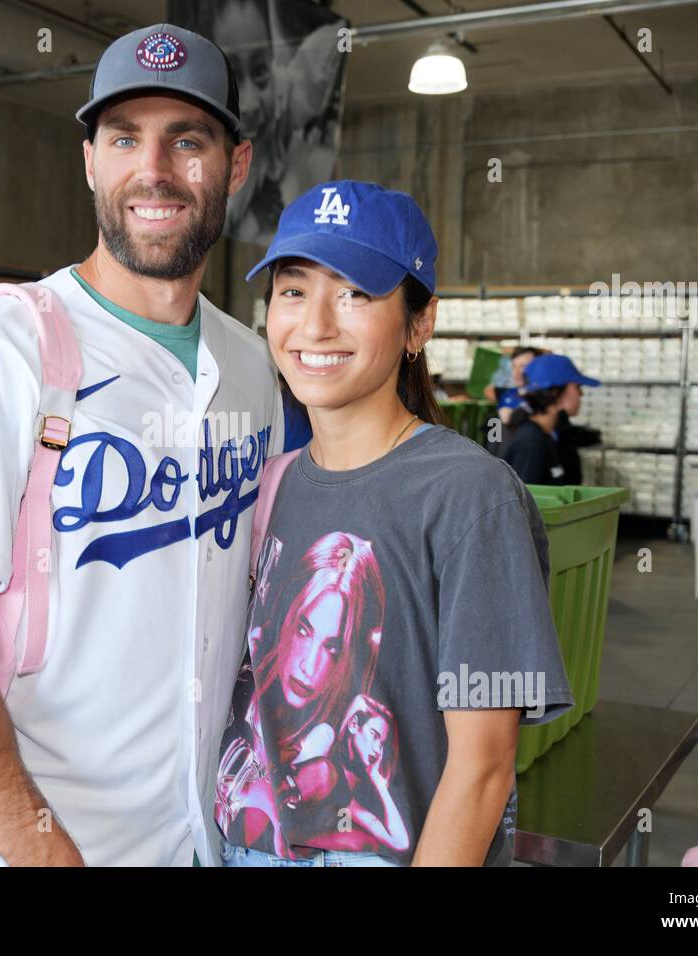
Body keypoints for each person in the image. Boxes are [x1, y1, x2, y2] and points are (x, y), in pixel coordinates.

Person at [0, 23, 283, 867]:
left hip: (207, 842)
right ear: (90, 161)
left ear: (236, 166)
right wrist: (42, 848)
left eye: (188, 140)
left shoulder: (251, 365)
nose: (153, 171)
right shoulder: (4, 350)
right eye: (124, 138)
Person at [217, 180, 572, 868]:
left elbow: (483, 769)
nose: (316, 324)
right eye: (293, 290)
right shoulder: (270, 482)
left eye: (354, 293)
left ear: (419, 323)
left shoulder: (470, 494)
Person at [502, 353, 601, 486]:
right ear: (555, 392)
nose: (581, 394)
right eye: (577, 387)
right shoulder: (530, 442)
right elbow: (522, 503)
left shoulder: (546, 435)